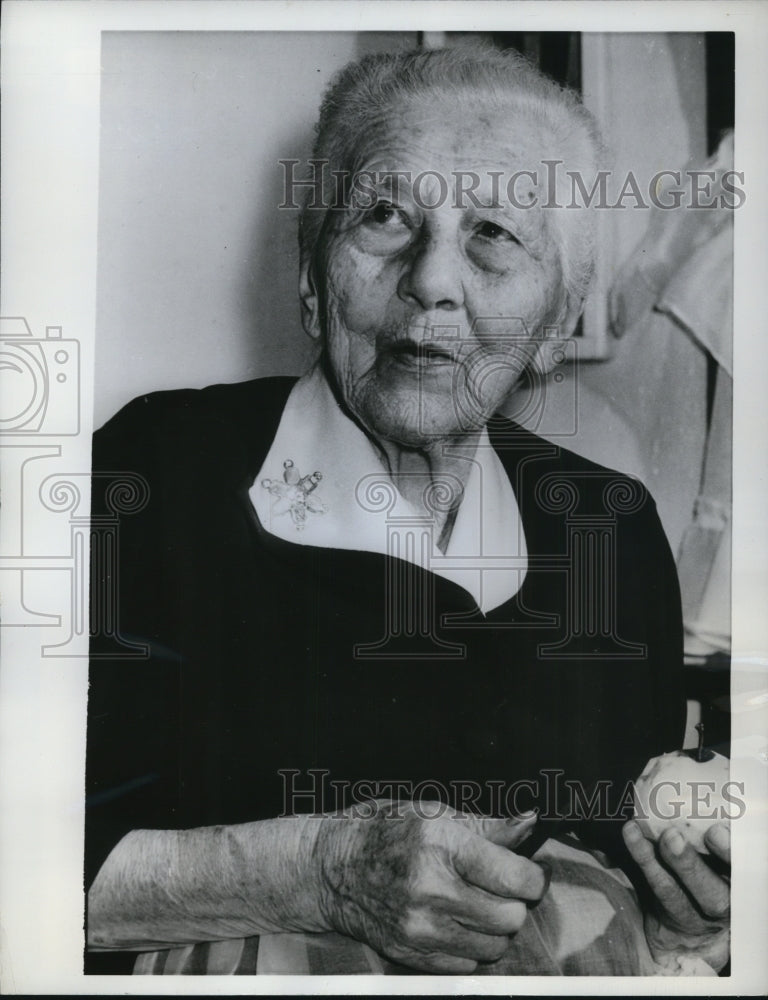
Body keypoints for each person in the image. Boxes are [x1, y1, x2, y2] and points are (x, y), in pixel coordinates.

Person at [85, 43, 730, 976]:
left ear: (553, 326)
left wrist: (689, 931)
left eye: (494, 234)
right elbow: (28, 864)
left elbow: (625, 880)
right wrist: (316, 870)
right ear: (313, 278)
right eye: (385, 214)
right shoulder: (156, 472)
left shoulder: (609, 527)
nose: (432, 279)